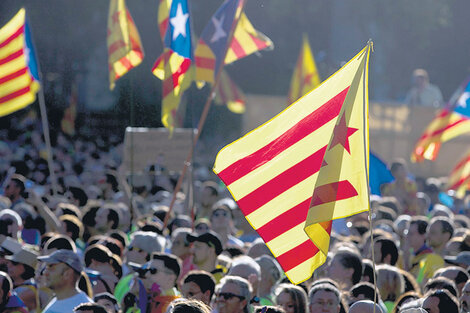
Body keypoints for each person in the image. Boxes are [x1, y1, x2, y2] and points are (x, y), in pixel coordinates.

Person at [402, 216, 444, 280]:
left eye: (411, 234)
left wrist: (406, 262)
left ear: (424, 235)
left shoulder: (430, 258)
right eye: (407, 233)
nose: (407, 237)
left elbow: (418, 283)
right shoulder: (412, 255)